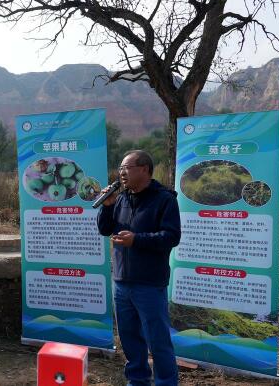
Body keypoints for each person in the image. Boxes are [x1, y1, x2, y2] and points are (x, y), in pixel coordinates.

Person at [97, 150, 181, 386]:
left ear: (144, 169)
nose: (122, 173)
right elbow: (105, 229)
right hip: (121, 281)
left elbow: (171, 237)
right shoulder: (121, 199)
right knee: (130, 339)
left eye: (127, 168)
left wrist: (137, 240)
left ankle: (166, 382)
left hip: (149, 284)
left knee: (158, 341)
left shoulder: (164, 199)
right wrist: (107, 206)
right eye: (120, 168)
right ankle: (137, 380)